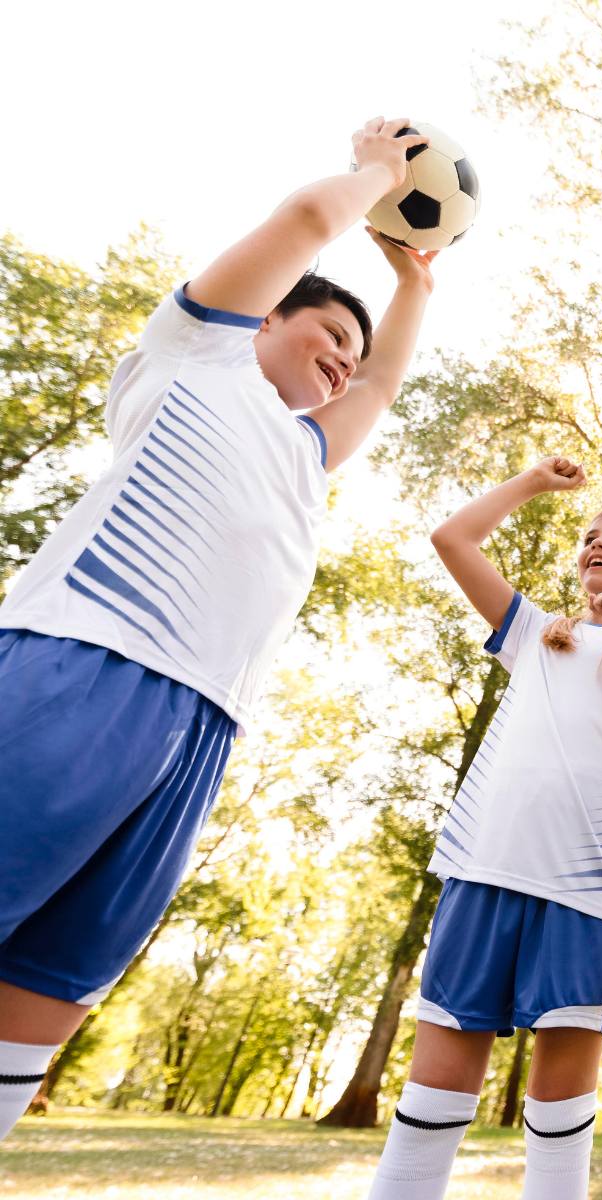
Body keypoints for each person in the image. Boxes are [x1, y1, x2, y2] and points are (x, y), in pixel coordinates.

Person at [0, 117, 440, 1142]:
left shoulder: (304, 453)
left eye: (352, 355)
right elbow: (298, 220)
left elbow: (382, 386)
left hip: (198, 732)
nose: (345, 364)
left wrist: (414, 284)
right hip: (85, 665)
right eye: (329, 337)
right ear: (267, 322)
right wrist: (379, 170)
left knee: (45, 997)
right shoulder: (195, 353)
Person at [364, 457, 602, 1199]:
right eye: (588, 536)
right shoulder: (537, 634)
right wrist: (534, 485)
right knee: (433, 1095)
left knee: (559, 1107)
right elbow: (453, 539)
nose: (597, 544)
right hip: (483, 872)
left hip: (587, 896)